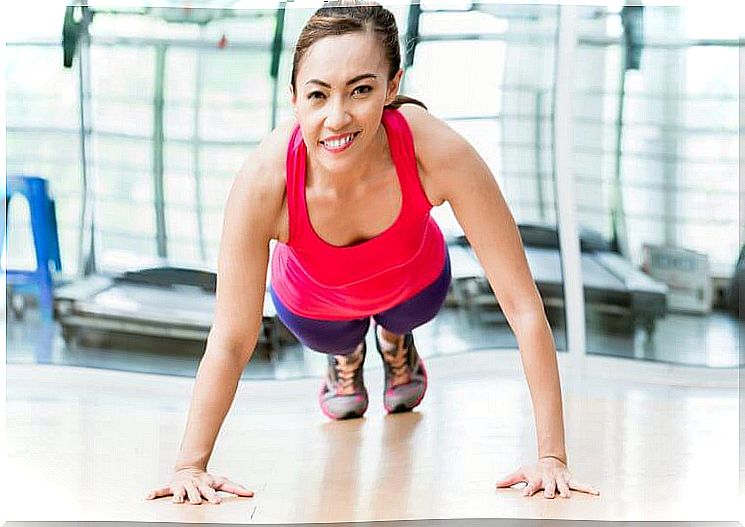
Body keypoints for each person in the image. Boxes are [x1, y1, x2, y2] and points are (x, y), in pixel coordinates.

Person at [146, 0, 600, 506]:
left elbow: (522, 305)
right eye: (318, 95)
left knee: (410, 309)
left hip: (413, 284)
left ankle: (396, 340)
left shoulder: (438, 152)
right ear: (293, 97)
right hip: (315, 305)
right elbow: (231, 338)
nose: (337, 117)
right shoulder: (263, 182)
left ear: (391, 86)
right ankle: (347, 354)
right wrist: (191, 463)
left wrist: (552, 456)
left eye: (360, 90)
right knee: (333, 340)